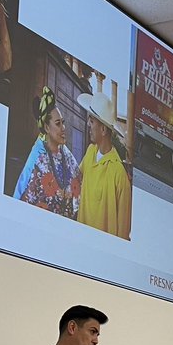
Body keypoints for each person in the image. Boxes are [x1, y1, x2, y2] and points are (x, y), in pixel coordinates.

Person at [14, 87, 81, 219]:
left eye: (63, 123)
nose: (63, 128)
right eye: (58, 124)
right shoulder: (38, 160)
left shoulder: (66, 154)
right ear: (46, 127)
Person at [76, 91, 131, 239]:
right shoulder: (89, 152)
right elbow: (76, 177)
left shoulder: (119, 174)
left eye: (92, 121)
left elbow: (123, 232)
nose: (88, 124)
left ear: (103, 129)